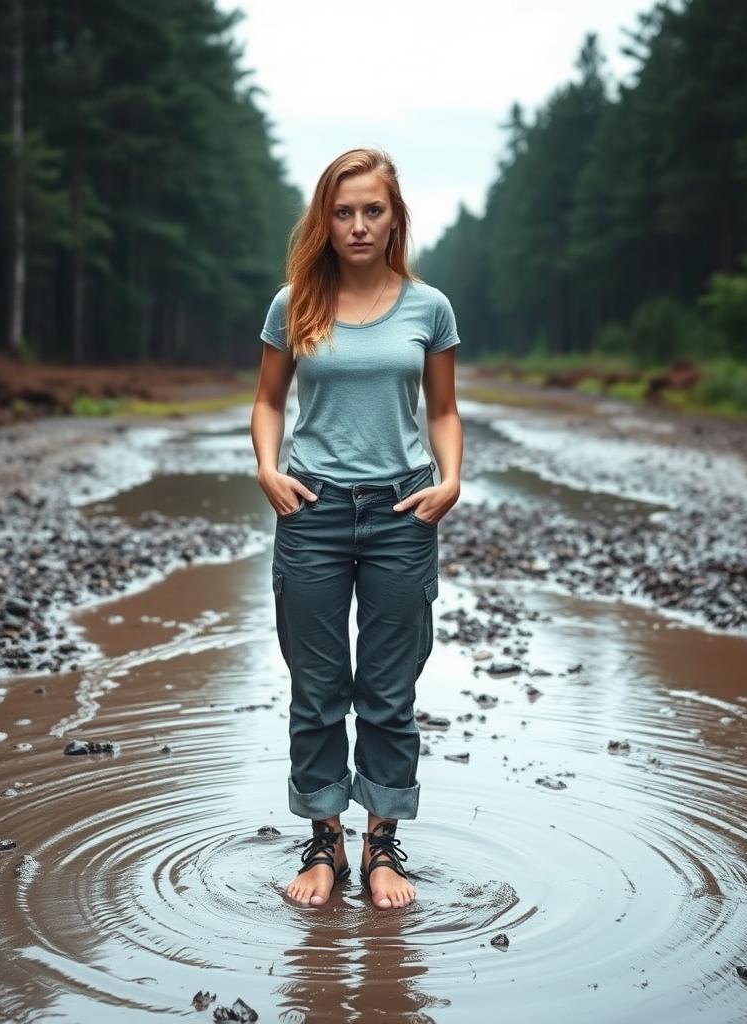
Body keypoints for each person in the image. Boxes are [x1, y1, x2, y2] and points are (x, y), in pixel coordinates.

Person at [250, 147, 463, 910]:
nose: (358, 225)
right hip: (311, 511)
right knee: (316, 690)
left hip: (403, 511)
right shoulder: (294, 303)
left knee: (388, 691)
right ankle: (322, 843)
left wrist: (450, 481)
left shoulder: (428, 307)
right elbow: (270, 401)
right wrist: (268, 469)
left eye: (373, 210)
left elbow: (441, 410)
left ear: (394, 216)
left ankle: (381, 846)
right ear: (325, 220)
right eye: (343, 212)